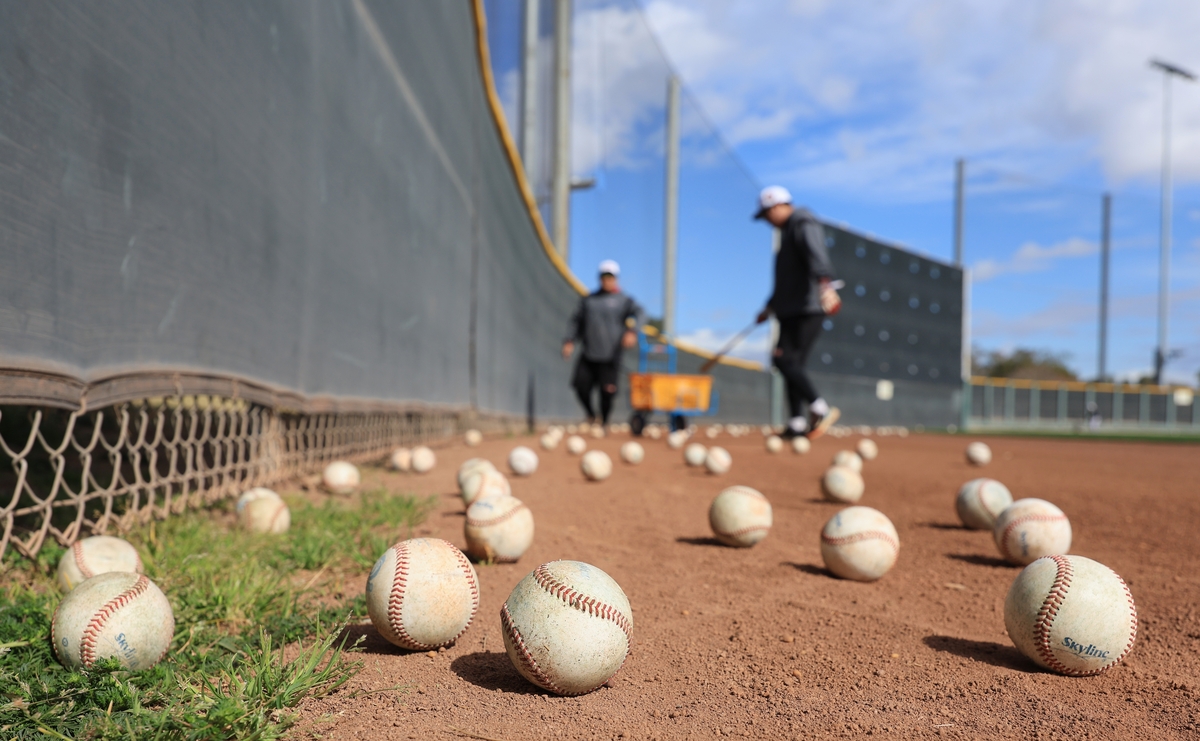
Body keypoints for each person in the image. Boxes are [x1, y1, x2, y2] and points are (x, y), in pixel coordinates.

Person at [753, 185, 841, 440]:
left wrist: (825, 283)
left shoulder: (802, 221)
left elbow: (816, 253)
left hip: (808, 307)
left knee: (784, 360)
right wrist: (769, 306)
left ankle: (819, 407)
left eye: (767, 214)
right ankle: (797, 424)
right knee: (793, 364)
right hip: (791, 308)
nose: (767, 221)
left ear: (777, 206)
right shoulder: (788, 232)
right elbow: (787, 280)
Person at [563, 260, 645, 426]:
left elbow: (641, 313)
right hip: (589, 353)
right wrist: (569, 340)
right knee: (581, 387)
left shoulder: (624, 300)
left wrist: (632, 331)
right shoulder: (589, 300)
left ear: (616, 279)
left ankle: (604, 423)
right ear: (599, 278)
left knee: (607, 393)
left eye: (610, 277)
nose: (607, 280)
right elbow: (576, 322)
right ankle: (592, 415)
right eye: (604, 277)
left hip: (611, 356)